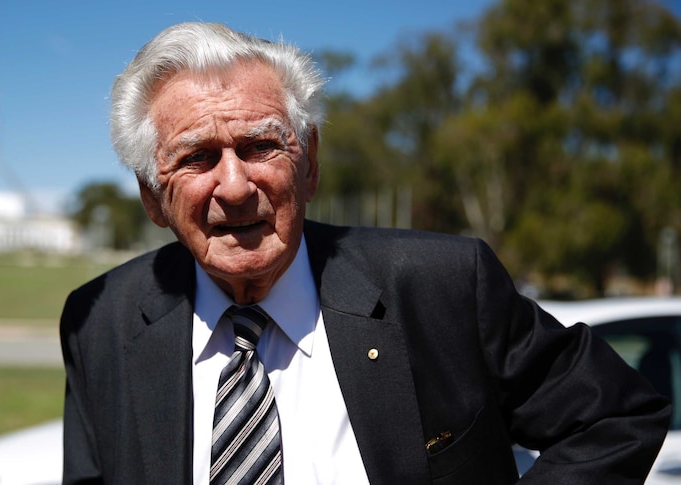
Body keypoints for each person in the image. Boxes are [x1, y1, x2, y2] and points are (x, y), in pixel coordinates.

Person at [60, 22, 670, 484]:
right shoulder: (101, 322)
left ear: (311, 163)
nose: (236, 184)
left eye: (260, 146)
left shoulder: (444, 285)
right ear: (151, 194)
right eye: (196, 157)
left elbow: (613, 416)